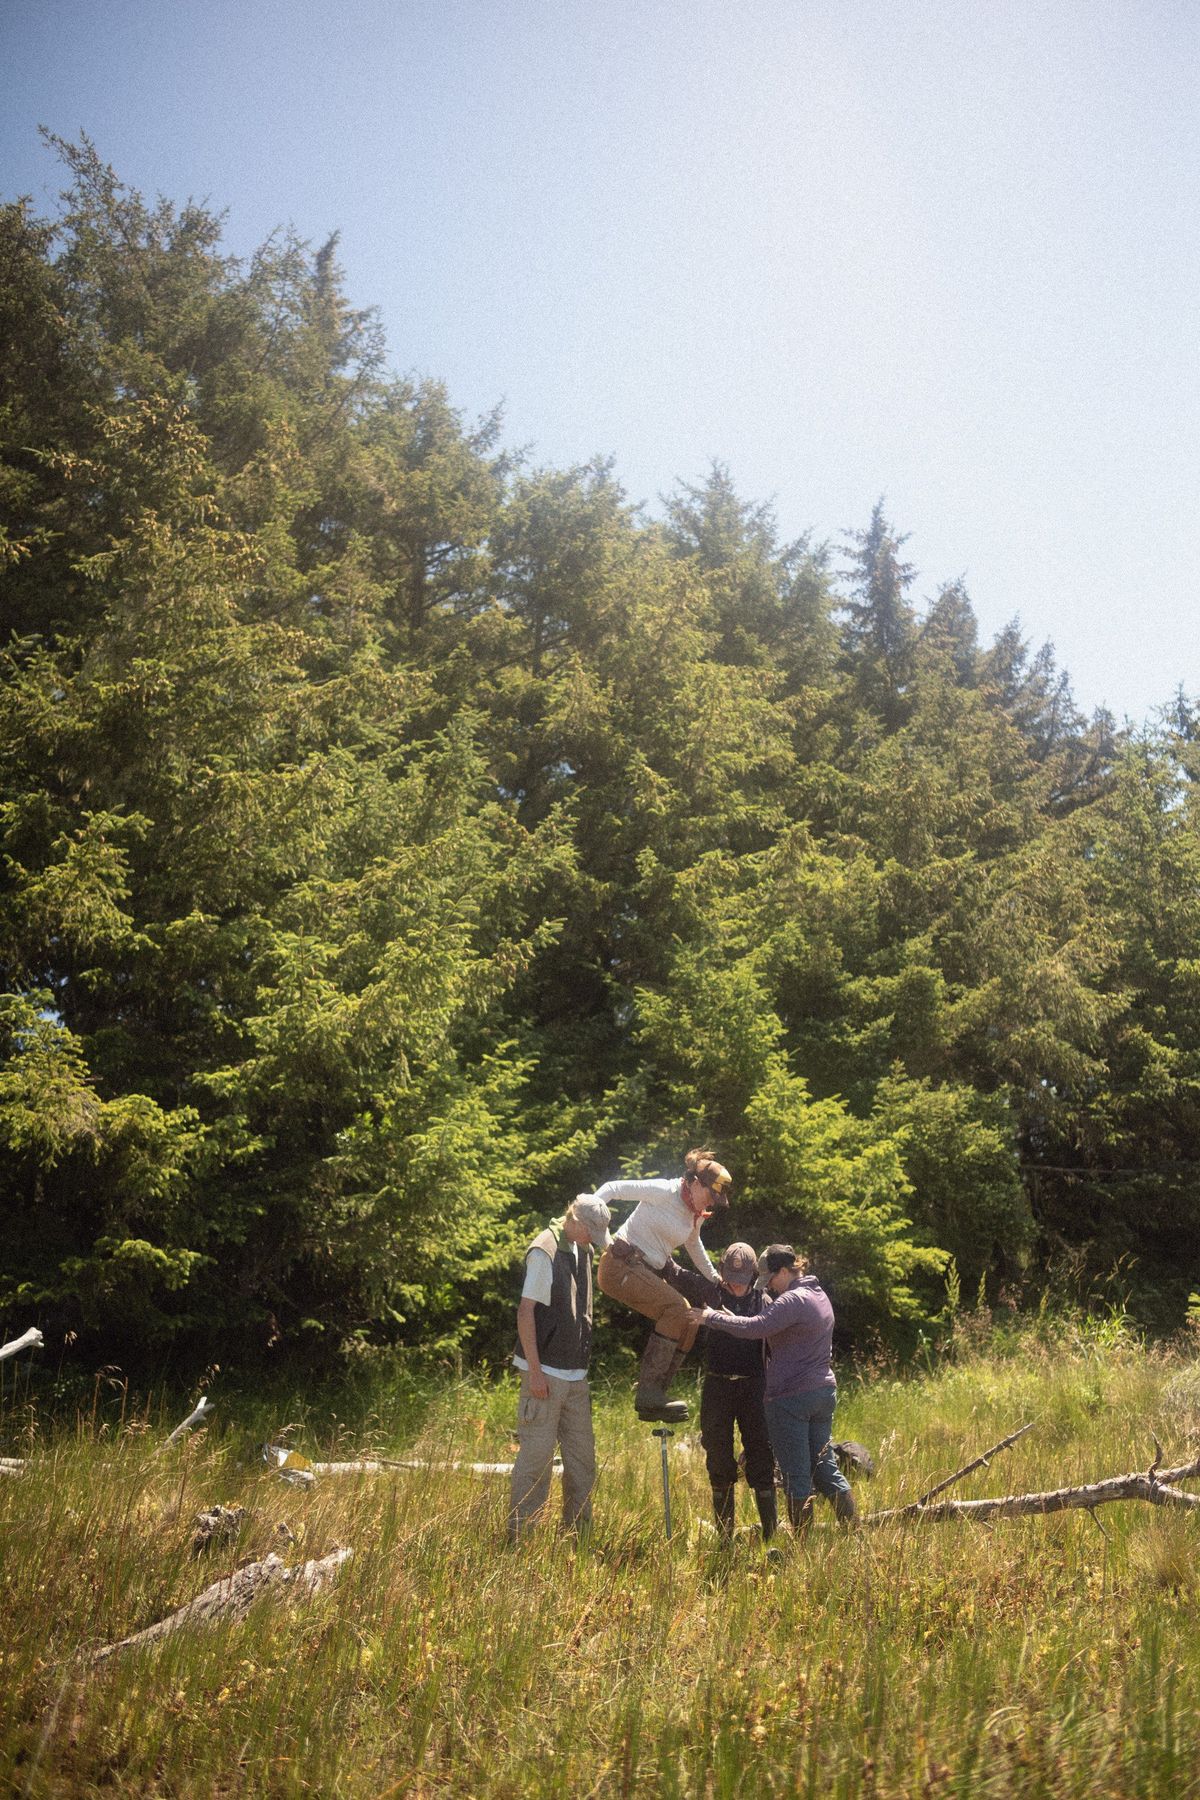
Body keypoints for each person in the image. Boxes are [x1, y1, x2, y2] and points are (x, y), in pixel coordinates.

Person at [700, 1244, 856, 1532]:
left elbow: (755, 1328)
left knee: (796, 1475)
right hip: (823, 1393)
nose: (768, 1285)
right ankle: (855, 1535)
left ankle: (802, 1550)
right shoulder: (819, 1296)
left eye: (770, 1278)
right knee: (825, 1468)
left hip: (793, 1398)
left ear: (785, 1270)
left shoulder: (791, 1301)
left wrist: (713, 1318)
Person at [585, 1149, 733, 1423]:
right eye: (710, 1194)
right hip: (619, 1266)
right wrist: (598, 1231)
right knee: (677, 1309)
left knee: (689, 1320)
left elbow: (693, 1243)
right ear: (696, 1182)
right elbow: (613, 1188)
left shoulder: (694, 1213)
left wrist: (715, 1278)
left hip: (642, 1271)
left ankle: (657, 1396)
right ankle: (648, 1391)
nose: (710, 1202)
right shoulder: (665, 1191)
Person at [507, 1194, 612, 1542]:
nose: (593, 1240)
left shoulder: (585, 1249)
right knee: (535, 1462)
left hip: (575, 1376)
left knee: (583, 1462)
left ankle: (577, 1537)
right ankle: (521, 1539)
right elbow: (525, 1312)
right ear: (576, 1222)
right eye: (591, 1233)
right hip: (544, 1374)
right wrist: (535, 1372)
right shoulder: (545, 1250)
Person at [668, 1241, 778, 1541]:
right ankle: (725, 1536)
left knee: (761, 1455)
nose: (737, 1286)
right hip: (717, 1386)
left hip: (755, 1387)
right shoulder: (710, 1292)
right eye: (731, 1277)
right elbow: (675, 1272)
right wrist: (646, 1252)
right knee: (717, 1455)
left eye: (743, 1280)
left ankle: (770, 1536)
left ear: (754, 1275)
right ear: (721, 1272)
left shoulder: (765, 1302)